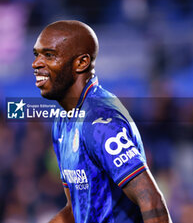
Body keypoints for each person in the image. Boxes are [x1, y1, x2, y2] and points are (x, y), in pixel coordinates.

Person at [32, 20, 172, 223]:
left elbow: (151, 201)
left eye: (49, 55)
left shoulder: (101, 122)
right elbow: (75, 211)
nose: (37, 63)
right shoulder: (63, 120)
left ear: (81, 63)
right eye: (37, 54)